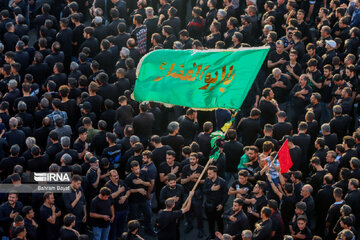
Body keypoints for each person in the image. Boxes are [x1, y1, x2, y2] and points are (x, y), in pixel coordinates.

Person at [203, 166, 228, 239]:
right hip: (208, 206)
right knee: (210, 223)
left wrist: (222, 204)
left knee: (220, 223)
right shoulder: (207, 180)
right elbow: (204, 191)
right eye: (208, 173)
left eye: (210, 173)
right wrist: (211, 189)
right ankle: (212, 236)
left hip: (218, 207)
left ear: (215, 173)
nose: (208, 175)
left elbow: (226, 194)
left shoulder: (222, 182)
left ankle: (221, 237)